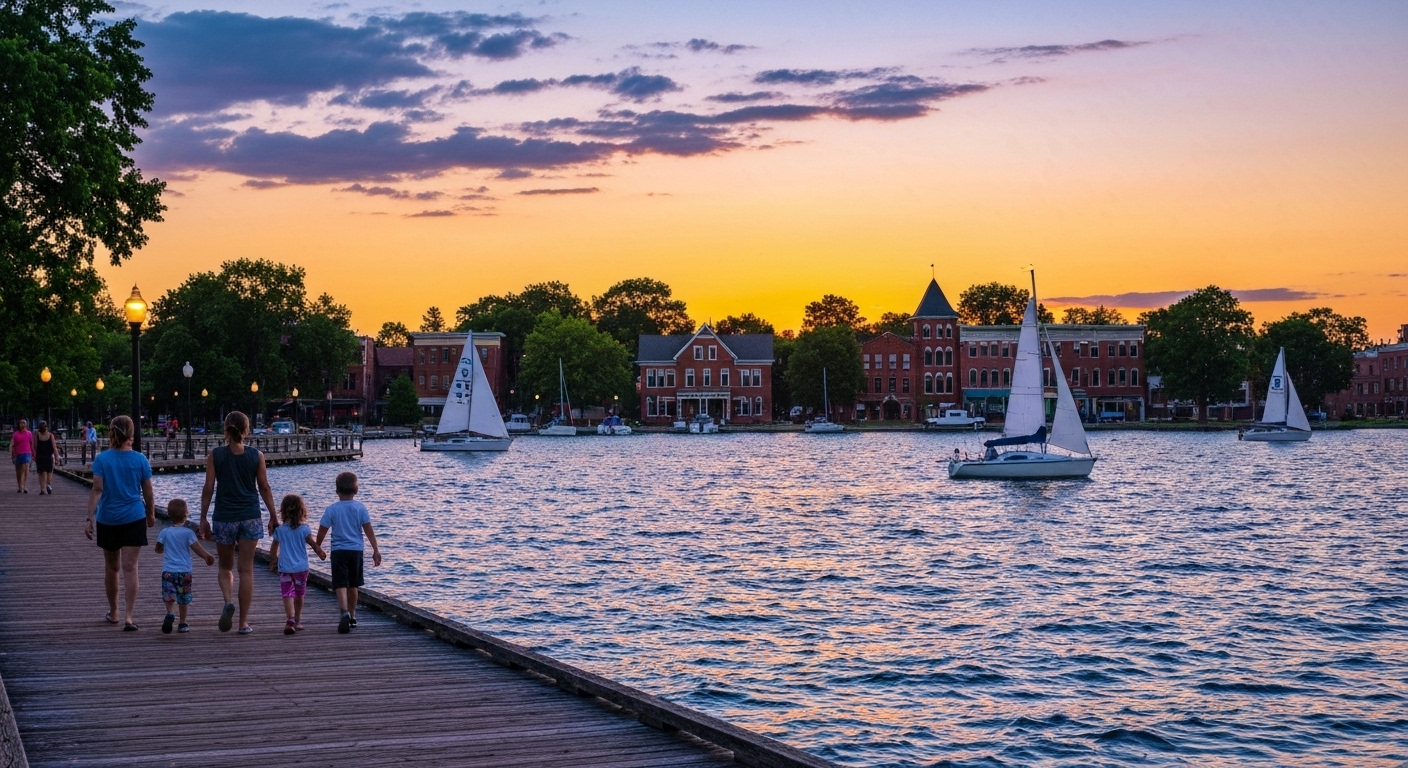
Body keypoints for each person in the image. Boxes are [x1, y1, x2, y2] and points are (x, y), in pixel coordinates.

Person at [198, 411, 278, 635]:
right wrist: (273, 515)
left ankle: (227, 602)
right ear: (246, 430)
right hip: (250, 517)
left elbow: (208, 488)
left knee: (225, 567)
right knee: (246, 570)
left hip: (224, 517)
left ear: (225, 430)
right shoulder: (256, 456)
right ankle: (243, 622)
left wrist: (202, 518)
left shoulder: (215, 455)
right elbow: (264, 487)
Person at [84, 415, 155, 631]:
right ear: (131, 434)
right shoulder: (140, 460)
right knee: (131, 568)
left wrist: (89, 517)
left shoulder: (102, 460)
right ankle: (129, 616)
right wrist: (151, 514)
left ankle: (114, 611)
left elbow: (97, 490)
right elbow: (148, 492)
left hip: (109, 519)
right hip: (134, 517)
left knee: (112, 567)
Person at [315, 472, 381, 634]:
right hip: (356, 551)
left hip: (338, 551)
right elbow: (368, 531)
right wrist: (376, 550)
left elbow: (323, 529)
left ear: (337, 491)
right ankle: (352, 616)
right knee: (353, 584)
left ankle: (343, 611)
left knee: (340, 583)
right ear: (356, 490)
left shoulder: (331, 509)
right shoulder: (360, 508)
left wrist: (318, 547)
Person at [154, 499, 214, 634]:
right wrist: (206, 556)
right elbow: (197, 548)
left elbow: (158, 548)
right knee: (183, 597)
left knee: (169, 595)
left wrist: (159, 548)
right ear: (186, 514)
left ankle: (170, 612)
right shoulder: (188, 533)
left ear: (169, 515)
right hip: (184, 572)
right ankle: (182, 623)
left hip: (168, 571)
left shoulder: (164, 532)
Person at [269, 494, 326, 635]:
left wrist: (273, 561)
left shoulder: (280, 530)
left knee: (287, 594)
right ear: (302, 511)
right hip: (301, 568)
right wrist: (320, 552)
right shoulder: (305, 529)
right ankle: (298, 620)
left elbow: (274, 548)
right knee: (299, 595)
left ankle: (290, 619)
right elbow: (312, 543)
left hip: (284, 568)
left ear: (283, 511)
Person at [33, 421, 59, 494]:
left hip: (41, 456)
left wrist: (34, 455)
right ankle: (47, 485)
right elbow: (54, 447)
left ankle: (43, 488)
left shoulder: (37, 436)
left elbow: (34, 446)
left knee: (41, 473)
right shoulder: (50, 435)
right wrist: (56, 456)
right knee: (48, 472)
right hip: (47, 456)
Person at [11, 418, 33, 493]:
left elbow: (31, 444)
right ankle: (20, 486)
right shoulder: (15, 434)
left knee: (26, 469)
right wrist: (12, 455)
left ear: (26, 424)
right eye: (21, 423)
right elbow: (12, 445)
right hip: (18, 453)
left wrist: (33, 453)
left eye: (24, 423)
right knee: (19, 471)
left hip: (27, 453)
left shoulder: (29, 433)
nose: (22, 424)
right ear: (19, 424)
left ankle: (24, 485)